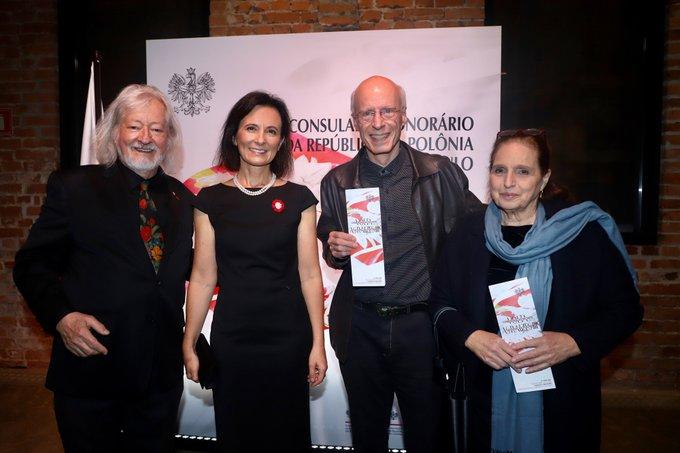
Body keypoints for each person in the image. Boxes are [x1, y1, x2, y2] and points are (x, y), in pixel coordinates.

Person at [429, 128, 643, 452]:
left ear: (544, 179)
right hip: (481, 400)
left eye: (523, 171)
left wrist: (571, 342)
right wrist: (471, 336)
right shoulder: (468, 232)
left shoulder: (582, 235)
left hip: (561, 402)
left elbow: (627, 310)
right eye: (499, 170)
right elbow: (439, 302)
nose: (508, 182)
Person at [13, 84, 194, 452]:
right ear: (115, 132)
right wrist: (62, 317)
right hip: (91, 373)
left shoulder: (183, 198)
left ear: (169, 138)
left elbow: (187, 271)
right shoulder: (75, 188)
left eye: (156, 129)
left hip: (158, 382)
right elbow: (32, 264)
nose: (145, 137)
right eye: (134, 126)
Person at [316, 75, 481, 453]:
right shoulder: (336, 181)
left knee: (429, 438)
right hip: (361, 327)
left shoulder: (441, 173)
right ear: (354, 121)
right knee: (367, 437)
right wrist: (335, 249)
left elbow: (478, 230)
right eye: (367, 114)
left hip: (421, 328)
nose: (378, 123)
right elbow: (330, 244)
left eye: (387, 111)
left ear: (404, 116)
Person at [183, 90, 327, 451]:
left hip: (287, 340)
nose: (260, 139)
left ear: (281, 142)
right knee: (237, 434)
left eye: (271, 131)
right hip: (233, 341)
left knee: (287, 435)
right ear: (235, 135)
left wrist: (318, 344)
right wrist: (189, 341)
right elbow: (202, 277)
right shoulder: (210, 200)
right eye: (251, 128)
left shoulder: (299, 199)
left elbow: (310, 275)